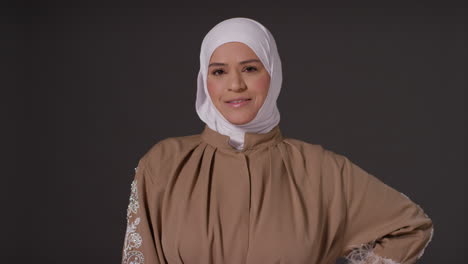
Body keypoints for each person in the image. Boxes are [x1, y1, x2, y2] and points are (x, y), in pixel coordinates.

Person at [121, 17, 433, 264]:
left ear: (272, 73)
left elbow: (410, 227)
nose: (235, 84)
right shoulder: (163, 164)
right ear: (205, 80)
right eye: (219, 71)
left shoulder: (321, 170)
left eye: (250, 68)